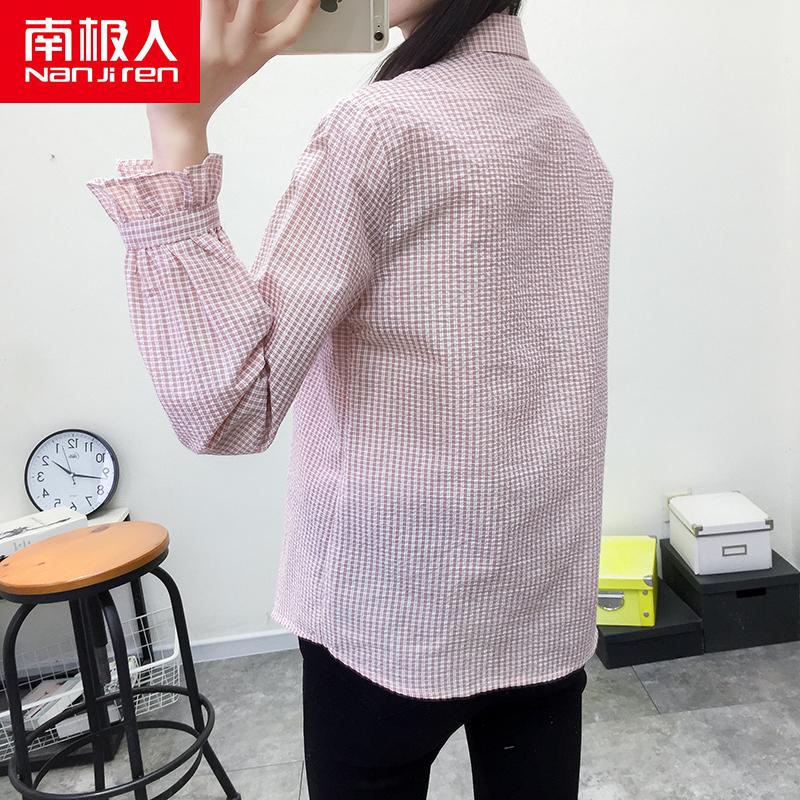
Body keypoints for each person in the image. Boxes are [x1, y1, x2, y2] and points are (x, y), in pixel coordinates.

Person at [87, 0, 613, 797]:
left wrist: (177, 126)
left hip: (391, 606)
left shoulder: (380, 128)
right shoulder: (566, 134)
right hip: (541, 593)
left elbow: (231, 407)